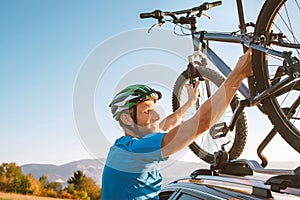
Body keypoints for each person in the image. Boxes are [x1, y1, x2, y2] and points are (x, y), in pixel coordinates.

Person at [102, 49, 253, 199]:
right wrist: (238, 74)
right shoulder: (134, 151)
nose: (156, 116)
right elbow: (201, 123)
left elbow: (166, 124)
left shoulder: (124, 148)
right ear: (126, 119)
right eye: (147, 111)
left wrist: (190, 103)